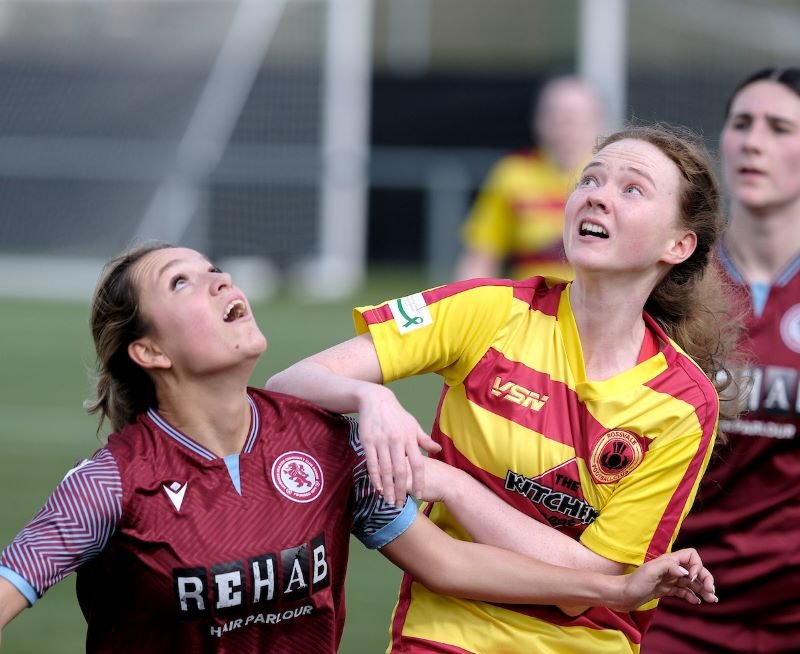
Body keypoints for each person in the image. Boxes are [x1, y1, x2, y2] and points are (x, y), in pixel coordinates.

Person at [0, 244, 717, 653]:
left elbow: (451, 564)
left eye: (215, 266)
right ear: (148, 348)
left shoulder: (323, 444)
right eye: (182, 282)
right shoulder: (109, 485)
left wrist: (618, 589)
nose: (220, 278)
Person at [266, 123, 742, 653]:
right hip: (445, 635)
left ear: (678, 244)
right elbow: (290, 385)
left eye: (631, 189)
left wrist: (450, 484)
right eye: (590, 180)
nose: (598, 198)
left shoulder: (685, 401)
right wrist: (369, 397)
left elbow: (587, 587)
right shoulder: (488, 310)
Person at [645, 67, 800, 654]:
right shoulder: (666, 281)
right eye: (742, 124)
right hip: (676, 604)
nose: (754, 140)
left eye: (780, 127)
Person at [454, 74, 605, 281]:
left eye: (573, 118)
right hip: (529, 308)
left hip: (595, 308)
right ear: (538, 121)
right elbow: (481, 255)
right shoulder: (513, 173)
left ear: (598, 122)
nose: (564, 128)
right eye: (555, 117)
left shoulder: (611, 178)